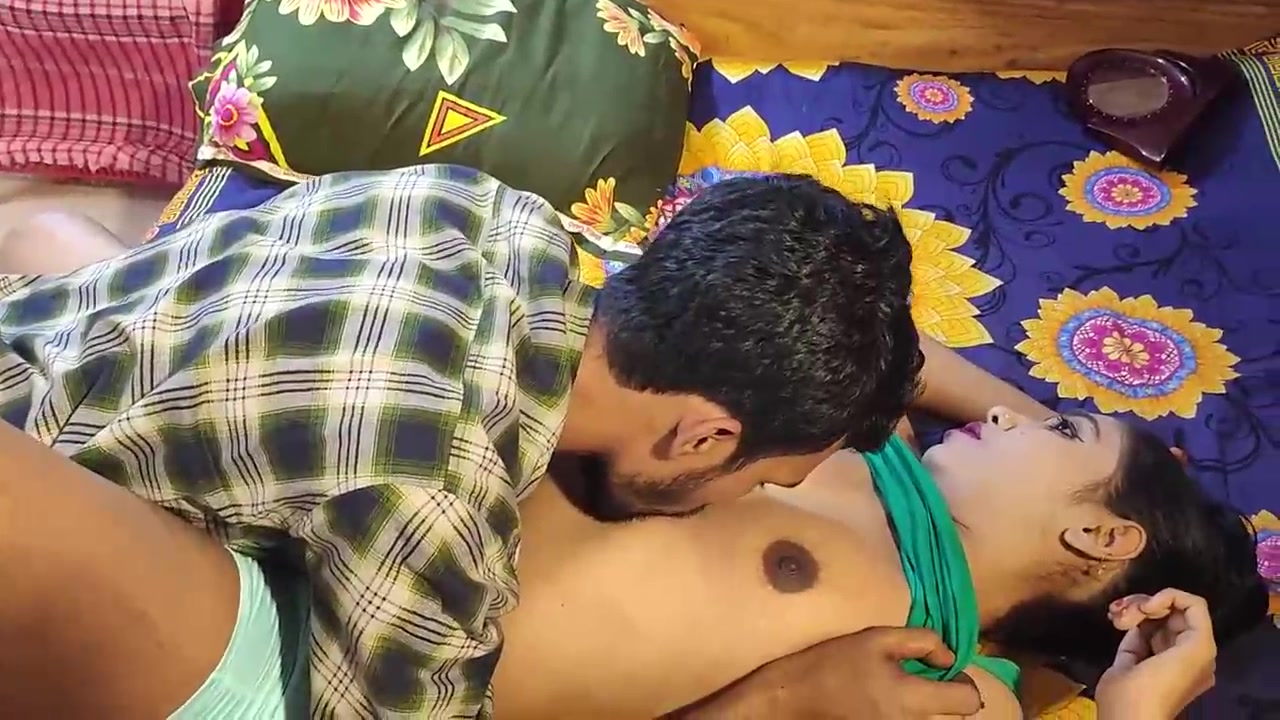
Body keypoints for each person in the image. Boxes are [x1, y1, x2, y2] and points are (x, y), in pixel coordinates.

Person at [0, 166, 1049, 718]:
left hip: (45, 345)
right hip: (56, 523)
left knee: (54, 237)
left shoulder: (490, 212)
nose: (755, 496)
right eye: (761, 478)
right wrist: (772, 702)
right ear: (702, 438)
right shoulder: (432, 495)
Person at [482, 407, 1267, 718]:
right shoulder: (882, 434)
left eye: (1061, 429)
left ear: (1101, 537)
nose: (1002, 410)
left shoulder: (949, 686)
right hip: (458, 442)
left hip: (428, 649)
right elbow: (887, 333)